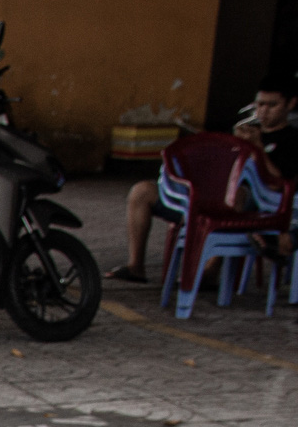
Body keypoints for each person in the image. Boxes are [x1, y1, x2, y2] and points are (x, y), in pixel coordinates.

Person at [109, 76, 298, 282]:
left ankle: (210, 270)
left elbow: (278, 184)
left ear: (291, 104)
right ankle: (135, 265)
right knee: (142, 190)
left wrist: (257, 148)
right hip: (205, 196)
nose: (263, 111)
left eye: (272, 105)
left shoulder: (291, 139)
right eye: (260, 104)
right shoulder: (242, 128)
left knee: (236, 195)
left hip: (252, 205)